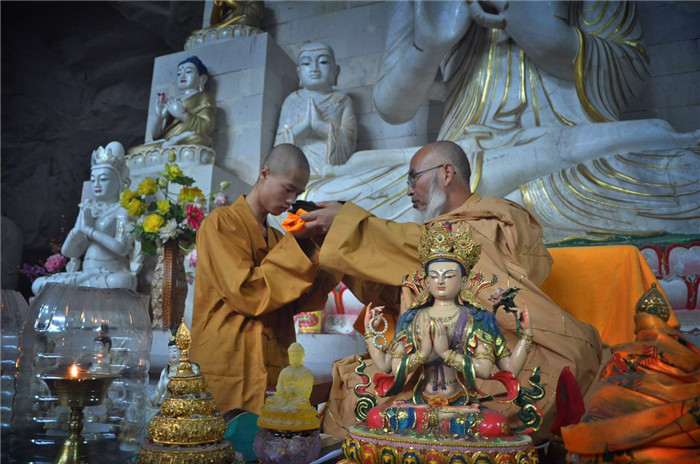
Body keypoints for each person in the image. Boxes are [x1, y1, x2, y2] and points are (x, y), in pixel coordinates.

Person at [302, 141, 607, 442]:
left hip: (479, 352)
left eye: (413, 178)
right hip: (428, 360)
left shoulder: (482, 223)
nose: (409, 190)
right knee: (355, 383)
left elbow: (427, 252)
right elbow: (402, 284)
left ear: (446, 173)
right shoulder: (440, 232)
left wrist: (347, 222)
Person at [371, 0, 699, 241]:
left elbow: (631, 74)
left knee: (681, 168)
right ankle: (502, 215)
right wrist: (431, 42)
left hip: (571, 138)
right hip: (461, 156)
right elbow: (392, 106)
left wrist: (530, 23)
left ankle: (483, 221)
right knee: (350, 184)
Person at [189, 144, 338, 415]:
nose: (291, 200)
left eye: (298, 193)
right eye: (288, 188)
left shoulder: (279, 239)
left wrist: (321, 246)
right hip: (229, 359)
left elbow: (295, 300)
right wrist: (297, 245)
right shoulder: (221, 224)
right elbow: (247, 291)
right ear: (264, 173)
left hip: (273, 364)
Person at [360, 221, 535, 438]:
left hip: (462, 405)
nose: (440, 281)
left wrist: (526, 335)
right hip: (419, 404)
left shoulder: (479, 318)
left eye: (448, 276)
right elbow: (388, 366)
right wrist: (372, 333)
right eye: (434, 276)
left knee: (495, 425)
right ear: (426, 281)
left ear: (463, 281)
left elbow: (506, 369)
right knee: (378, 417)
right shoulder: (412, 318)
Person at [561, 284, 700, 463]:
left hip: (626, 441)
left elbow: (601, 400)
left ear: (638, 323)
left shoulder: (623, 357)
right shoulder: (687, 353)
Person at [31, 142, 142, 295]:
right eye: (93, 179)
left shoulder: (122, 210)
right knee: (39, 285)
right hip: (86, 274)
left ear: (121, 182)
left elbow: (122, 248)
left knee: (121, 282)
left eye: (103, 179)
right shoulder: (88, 208)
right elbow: (69, 252)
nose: (96, 185)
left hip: (110, 274)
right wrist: (78, 230)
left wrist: (90, 231)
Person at [275, 42, 356, 179]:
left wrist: (321, 126)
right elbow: (278, 147)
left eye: (323, 62)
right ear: (299, 73)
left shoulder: (342, 100)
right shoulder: (292, 101)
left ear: (336, 71)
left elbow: (349, 144)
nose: (314, 68)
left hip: (332, 173)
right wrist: (303, 126)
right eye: (306, 63)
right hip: (295, 173)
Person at [129, 56, 216, 154]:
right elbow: (155, 136)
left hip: (188, 138)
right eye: (179, 73)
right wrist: (159, 117)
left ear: (202, 79)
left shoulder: (204, 97)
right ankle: (170, 145)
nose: (182, 76)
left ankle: (173, 144)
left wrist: (182, 115)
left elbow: (207, 127)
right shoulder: (171, 101)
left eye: (188, 72)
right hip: (166, 141)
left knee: (198, 138)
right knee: (134, 151)